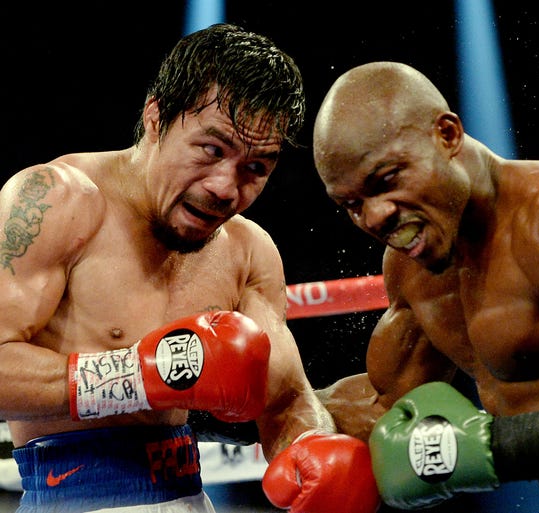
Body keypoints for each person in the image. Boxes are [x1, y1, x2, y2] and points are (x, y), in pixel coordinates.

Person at [0, 24, 379, 513]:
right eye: (211, 150)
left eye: (256, 168)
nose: (226, 187)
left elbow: (285, 402)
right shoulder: (56, 201)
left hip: (188, 498)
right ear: (156, 116)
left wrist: (315, 449)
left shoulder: (248, 251)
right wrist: (141, 375)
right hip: (72, 496)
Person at [312, 61, 539, 512]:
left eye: (387, 180)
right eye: (351, 204)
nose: (373, 217)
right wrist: (265, 404)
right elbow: (385, 403)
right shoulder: (413, 269)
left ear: (446, 135)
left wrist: (490, 449)